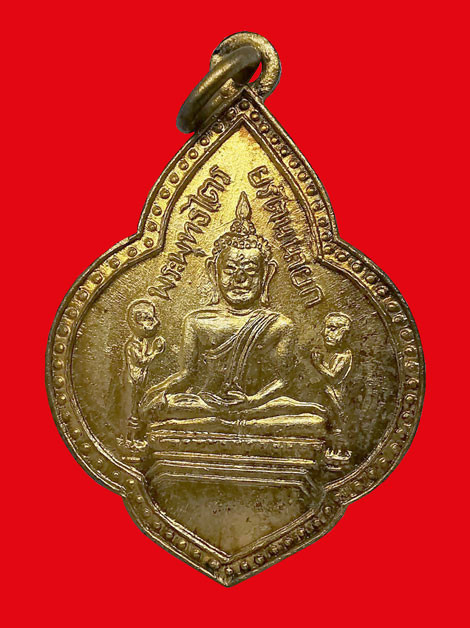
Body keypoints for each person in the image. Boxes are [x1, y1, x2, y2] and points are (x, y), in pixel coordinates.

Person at [140, 192, 326, 433]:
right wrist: (159, 392)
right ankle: (220, 422)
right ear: (213, 272)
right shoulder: (197, 322)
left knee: (313, 421)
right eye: (229, 269)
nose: (240, 278)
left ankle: (220, 424)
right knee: (170, 407)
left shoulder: (279, 325)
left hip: (255, 407)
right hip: (207, 404)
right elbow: (186, 374)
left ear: (267, 275)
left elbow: (283, 380)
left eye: (251, 270)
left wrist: (252, 401)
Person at [125, 299, 165, 441]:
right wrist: (156, 352)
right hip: (134, 383)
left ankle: (137, 437)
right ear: (138, 323)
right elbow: (142, 362)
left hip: (140, 381)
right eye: (149, 319)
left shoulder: (142, 343)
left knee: (138, 408)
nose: (156, 323)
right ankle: (132, 438)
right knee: (134, 411)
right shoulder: (133, 345)